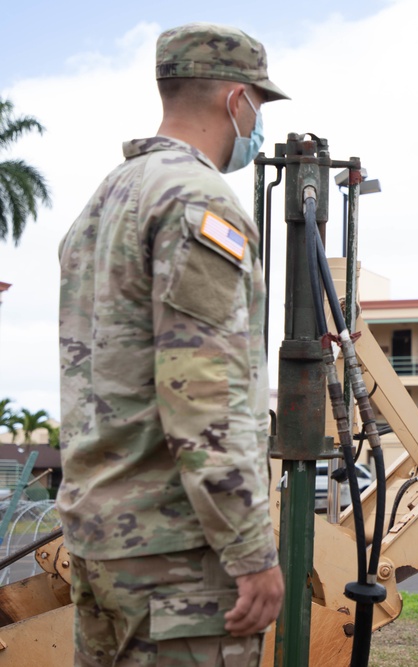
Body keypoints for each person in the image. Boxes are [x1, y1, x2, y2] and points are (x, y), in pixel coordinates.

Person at [58, 23, 289, 666]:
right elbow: (203, 391)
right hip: (176, 554)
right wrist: (250, 552)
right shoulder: (195, 197)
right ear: (236, 99)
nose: (257, 122)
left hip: (102, 536)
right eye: (260, 108)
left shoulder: (106, 198)